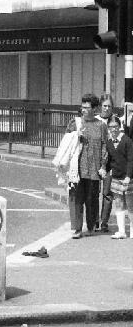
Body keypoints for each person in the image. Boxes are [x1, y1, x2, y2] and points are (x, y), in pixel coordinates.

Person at [65, 93, 109, 239]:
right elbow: (66, 143)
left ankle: (90, 227)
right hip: (77, 169)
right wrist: (76, 136)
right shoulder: (75, 123)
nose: (83, 110)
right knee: (77, 200)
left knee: (92, 199)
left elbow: (104, 146)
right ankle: (77, 229)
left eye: (87, 107)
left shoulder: (101, 125)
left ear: (95, 109)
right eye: (82, 107)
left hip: (94, 170)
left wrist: (103, 165)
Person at [103, 115, 133, 239]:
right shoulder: (109, 142)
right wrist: (104, 168)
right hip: (115, 177)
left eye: (115, 126)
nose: (113, 129)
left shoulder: (127, 141)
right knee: (119, 203)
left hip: (128, 178)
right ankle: (121, 231)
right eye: (111, 127)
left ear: (119, 127)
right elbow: (110, 159)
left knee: (131, 204)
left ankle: (132, 231)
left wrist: (128, 176)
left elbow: (131, 160)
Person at [96, 93, 120, 233]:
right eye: (104, 106)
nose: (106, 108)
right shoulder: (95, 120)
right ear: (100, 106)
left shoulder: (116, 121)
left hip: (110, 163)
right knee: (93, 194)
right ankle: (94, 222)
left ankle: (104, 223)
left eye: (109, 106)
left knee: (107, 194)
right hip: (95, 161)